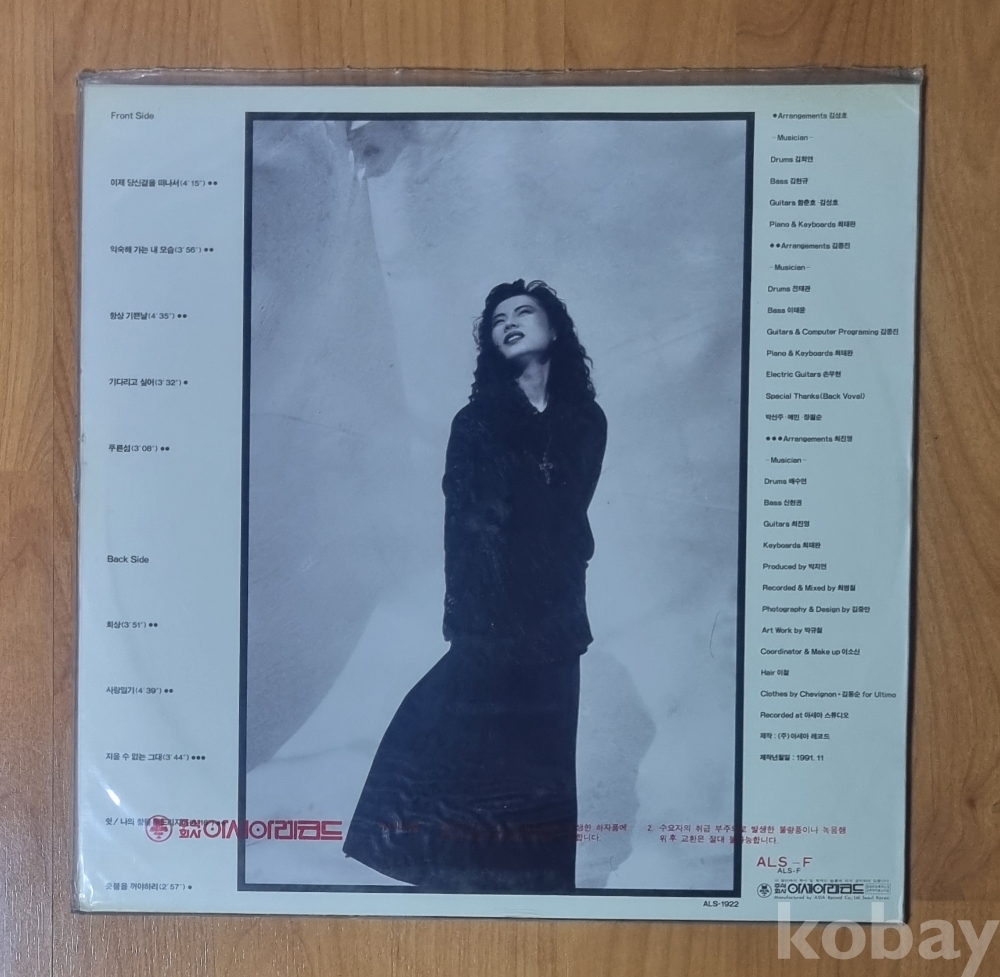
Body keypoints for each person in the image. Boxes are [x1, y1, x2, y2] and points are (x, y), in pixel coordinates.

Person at [343, 279, 607, 892]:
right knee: (450, 730)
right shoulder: (477, 422)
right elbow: (463, 524)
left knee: (543, 762)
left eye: (524, 312)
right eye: (498, 319)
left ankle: (541, 892)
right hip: (493, 610)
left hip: (558, 612)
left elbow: (570, 511)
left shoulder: (586, 420)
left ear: (555, 330)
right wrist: (465, 615)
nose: (509, 322)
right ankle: (442, 869)